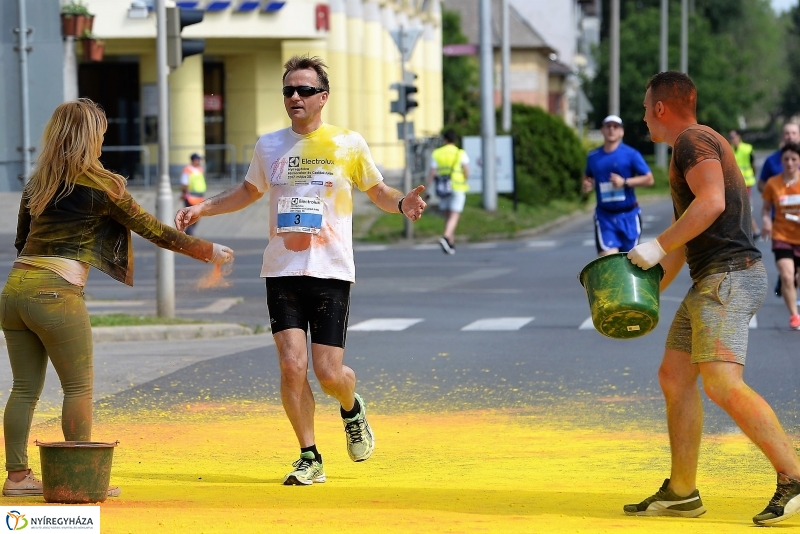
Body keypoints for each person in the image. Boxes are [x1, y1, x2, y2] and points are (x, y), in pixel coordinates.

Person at [174, 55, 427, 486]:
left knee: (329, 373)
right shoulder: (269, 145)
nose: (295, 97)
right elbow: (248, 190)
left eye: (305, 90)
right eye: (289, 90)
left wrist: (402, 203)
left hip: (330, 269)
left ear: (322, 97)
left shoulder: (348, 143)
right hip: (282, 268)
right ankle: (309, 455)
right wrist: (204, 208)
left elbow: (378, 190)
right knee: (292, 365)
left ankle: (352, 407)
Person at [1, 99, 233, 497]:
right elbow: (153, 230)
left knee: (23, 388)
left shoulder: (36, 184)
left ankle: (17, 477)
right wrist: (208, 251)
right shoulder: (103, 186)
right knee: (78, 389)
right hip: (56, 292)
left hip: (14, 291)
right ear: (90, 138)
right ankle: (78, 481)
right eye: (101, 136)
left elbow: (23, 242)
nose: (103, 144)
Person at [626, 71, 800, 526]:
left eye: (645, 108)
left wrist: (655, 244)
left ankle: (794, 476)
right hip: (713, 280)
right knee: (674, 375)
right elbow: (689, 233)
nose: (643, 117)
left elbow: (712, 203)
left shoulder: (692, 141)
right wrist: (645, 291)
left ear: (661, 107)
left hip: (729, 279)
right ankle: (682, 492)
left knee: (722, 383)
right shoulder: (691, 145)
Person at [582, 115, 654, 256]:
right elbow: (587, 177)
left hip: (629, 215)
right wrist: (586, 185)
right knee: (609, 262)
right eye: (608, 126)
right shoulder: (593, 156)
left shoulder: (631, 154)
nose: (611, 130)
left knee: (628, 261)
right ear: (602, 130)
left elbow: (649, 179)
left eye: (615, 127)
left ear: (621, 131)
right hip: (605, 216)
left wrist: (625, 182)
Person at [761, 143, 800, 330]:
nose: (790, 163)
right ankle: (794, 316)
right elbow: (766, 209)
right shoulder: (773, 183)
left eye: (794, 159)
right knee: (787, 275)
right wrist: (767, 222)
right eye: (786, 159)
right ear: (781, 161)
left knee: (797, 277)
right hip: (782, 235)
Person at [425, 130, 469, 254]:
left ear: (444, 140)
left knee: (447, 216)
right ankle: (446, 237)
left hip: (443, 187)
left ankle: (450, 244)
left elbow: (432, 172)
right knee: (454, 216)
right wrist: (464, 179)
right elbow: (466, 171)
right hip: (457, 187)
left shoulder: (437, 153)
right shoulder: (460, 153)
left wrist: (426, 188)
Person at [728, 129, 760, 238]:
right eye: (730, 137)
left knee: (744, 206)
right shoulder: (729, 149)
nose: (731, 139)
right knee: (737, 206)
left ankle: (754, 230)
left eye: (733, 137)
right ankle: (747, 230)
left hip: (746, 182)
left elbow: (752, 164)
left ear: (739, 137)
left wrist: (752, 175)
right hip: (733, 183)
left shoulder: (747, 149)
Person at [758, 122, 800, 193]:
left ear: (799, 136)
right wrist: (774, 193)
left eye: (794, 133)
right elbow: (761, 184)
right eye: (787, 133)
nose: (790, 137)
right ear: (782, 136)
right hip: (778, 203)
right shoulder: (771, 160)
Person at [180, 153, 207, 236]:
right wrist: (184, 193)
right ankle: (189, 234)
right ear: (193, 160)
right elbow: (184, 183)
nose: (199, 161)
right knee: (191, 216)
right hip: (190, 196)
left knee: (197, 216)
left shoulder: (200, 169)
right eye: (198, 159)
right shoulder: (188, 170)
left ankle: (188, 233)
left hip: (199, 196)